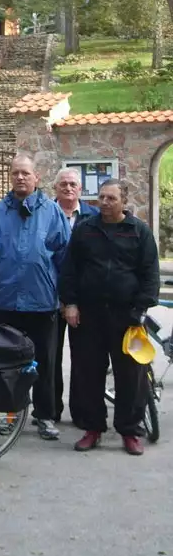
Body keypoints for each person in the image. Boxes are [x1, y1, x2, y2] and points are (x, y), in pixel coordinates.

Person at [58, 179, 160, 456]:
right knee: (88, 374)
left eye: (111, 198)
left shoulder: (138, 232)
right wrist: (71, 304)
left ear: (123, 201)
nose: (104, 202)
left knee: (131, 376)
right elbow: (69, 270)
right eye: (101, 197)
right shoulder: (85, 229)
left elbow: (150, 274)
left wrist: (140, 309)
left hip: (126, 317)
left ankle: (129, 431)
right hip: (88, 315)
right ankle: (93, 429)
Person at [0, 154, 71, 441]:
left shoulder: (52, 212)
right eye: (15, 173)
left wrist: (67, 297)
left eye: (25, 173)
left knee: (45, 361)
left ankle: (45, 416)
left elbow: (65, 257)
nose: (20, 178)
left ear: (36, 178)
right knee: (9, 364)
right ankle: (12, 414)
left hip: (42, 302)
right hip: (7, 301)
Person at [53, 167, 99, 425]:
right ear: (55, 188)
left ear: (80, 189)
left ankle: (82, 412)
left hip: (83, 298)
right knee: (52, 357)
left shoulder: (93, 216)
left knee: (83, 357)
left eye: (73, 184)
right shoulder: (46, 213)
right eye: (63, 184)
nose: (68, 188)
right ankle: (51, 410)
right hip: (51, 297)